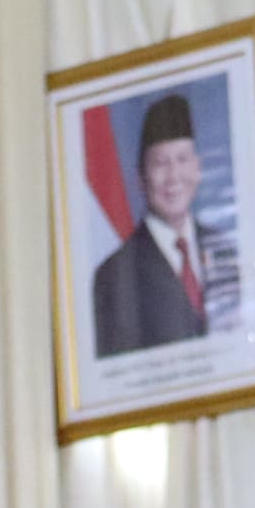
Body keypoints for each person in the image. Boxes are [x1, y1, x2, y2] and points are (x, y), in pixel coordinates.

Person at [88, 93, 215, 356]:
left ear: (198, 168)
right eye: (160, 163)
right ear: (141, 178)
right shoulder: (114, 276)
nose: (173, 177)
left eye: (182, 160)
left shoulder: (226, 250)